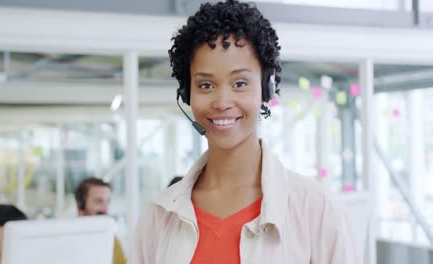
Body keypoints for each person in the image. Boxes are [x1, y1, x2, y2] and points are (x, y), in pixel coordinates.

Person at [132, 1, 361, 263]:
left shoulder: (316, 209)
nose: (222, 101)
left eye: (240, 83)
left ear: (267, 88)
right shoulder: (159, 217)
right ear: (187, 94)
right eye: (205, 85)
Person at [74, 177, 127, 264]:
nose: (105, 210)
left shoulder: (111, 239)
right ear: (80, 205)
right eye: (98, 201)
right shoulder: (66, 238)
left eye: (107, 202)